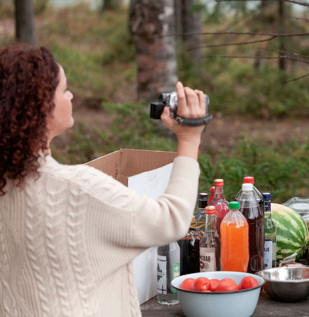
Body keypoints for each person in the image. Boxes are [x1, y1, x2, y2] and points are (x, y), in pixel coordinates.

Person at [0, 43, 208, 316]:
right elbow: (170, 221)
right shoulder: (78, 190)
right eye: (64, 90)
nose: (71, 96)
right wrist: (190, 139)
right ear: (40, 106)